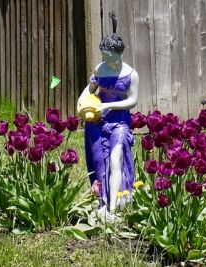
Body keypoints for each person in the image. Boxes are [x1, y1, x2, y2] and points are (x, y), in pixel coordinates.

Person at [77, 15, 139, 219]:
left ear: (119, 53)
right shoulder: (99, 69)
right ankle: (103, 201)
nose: (106, 60)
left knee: (115, 158)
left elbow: (132, 101)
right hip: (98, 120)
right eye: (103, 56)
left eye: (109, 57)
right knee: (99, 161)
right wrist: (83, 100)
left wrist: (109, 104)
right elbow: (91, 90)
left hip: (120, 121)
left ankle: (113, 207)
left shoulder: (131, 74)